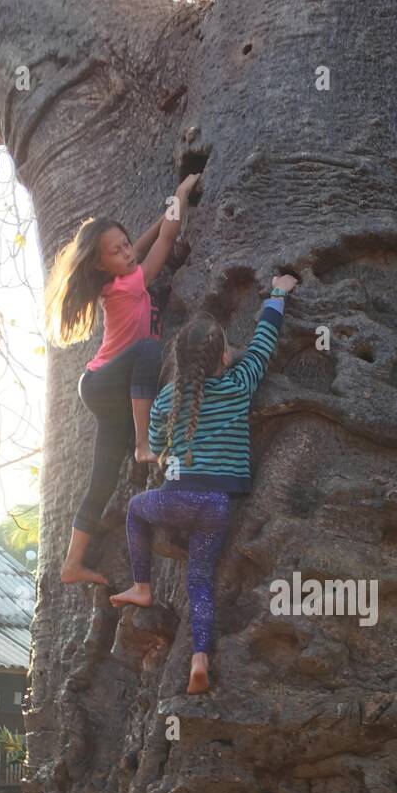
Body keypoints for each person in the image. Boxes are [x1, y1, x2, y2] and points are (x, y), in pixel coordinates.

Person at [110, 273, 299, 694]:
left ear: (179, 360)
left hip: (175, 497)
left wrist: (156, 446)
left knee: (137, 508)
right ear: (225, 357)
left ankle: (142, 586)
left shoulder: (166, 400)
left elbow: (156, 447)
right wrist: (279, 294)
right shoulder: (238, 383)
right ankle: (199, 658)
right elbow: (265, 340)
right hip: (217, 504)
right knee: (200, 581)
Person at [43, 173, 201, 585]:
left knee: (102, 479)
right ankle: (143, 443)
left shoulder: (121, 274)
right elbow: (164, 241)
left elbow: (147, 240)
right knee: (148, 350)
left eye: (127, 244)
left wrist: (146, 229)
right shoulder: (127, 286)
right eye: (116, 252)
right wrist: (179, 195)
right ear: (101, 264)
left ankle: (72, 562)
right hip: (103, 382)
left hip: (110, 393)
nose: (128, 254)